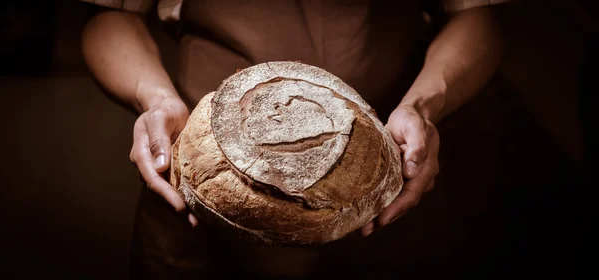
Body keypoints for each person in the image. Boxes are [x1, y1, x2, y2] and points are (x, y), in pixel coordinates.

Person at [80, 0, 512, 278]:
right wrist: (155, 100)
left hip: (390, 179)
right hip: (204, 185)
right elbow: (112, 12)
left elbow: (475, 13)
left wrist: (421, 107)